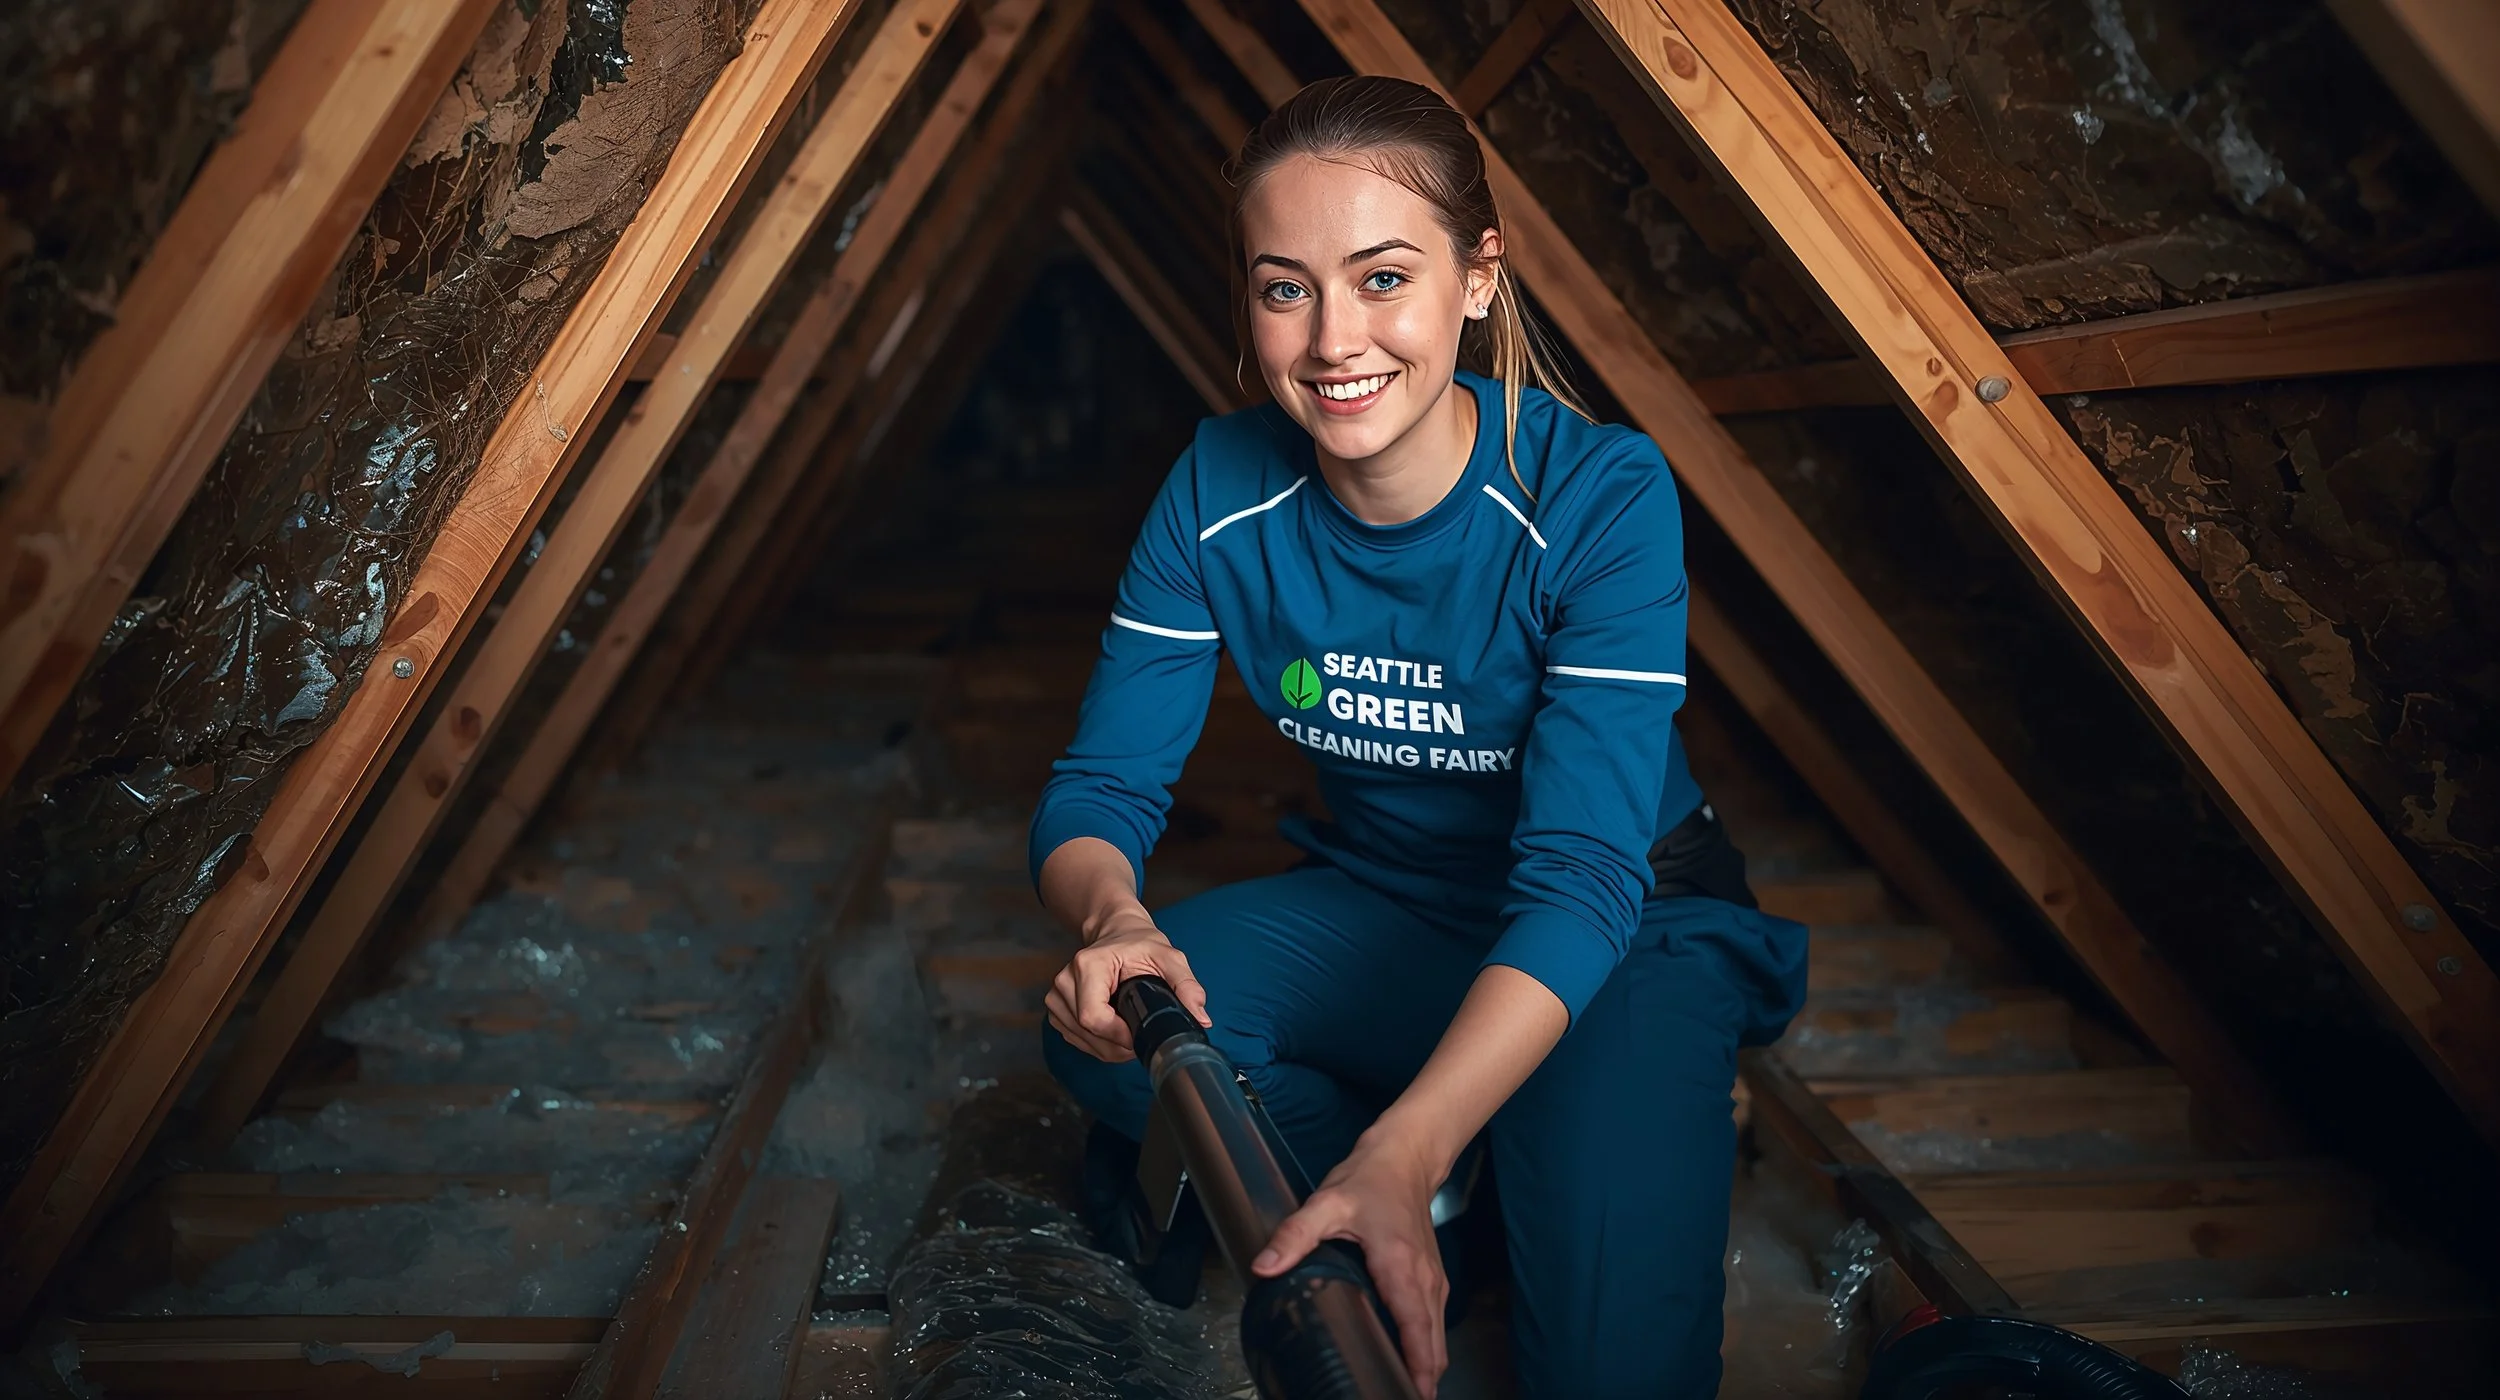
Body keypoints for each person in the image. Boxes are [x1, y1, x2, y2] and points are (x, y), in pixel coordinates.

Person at [1030, 75, 1807, 1399]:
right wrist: (1112, 922)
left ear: (1479, 276)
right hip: (1392, 903)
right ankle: (1466, 1174)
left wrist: (1406, 1152)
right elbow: (1102, 788)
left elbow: (1579, 879)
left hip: (1616, 932)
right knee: (1107, 1038)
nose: (1334, 338)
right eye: (1286, 288)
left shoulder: (1598, 496)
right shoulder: (1219, 488)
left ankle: (1501, 1144)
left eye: (1383, 276)